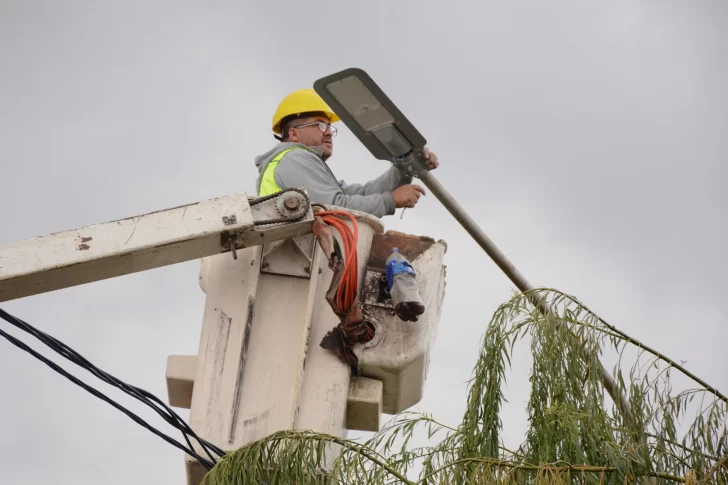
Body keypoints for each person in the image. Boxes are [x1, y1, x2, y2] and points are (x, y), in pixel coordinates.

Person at [255, 88, 439, 218]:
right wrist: (390, 201)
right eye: (319, 124)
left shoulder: (307, 166)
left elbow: (364, 194)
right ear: (293, 134)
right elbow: (332, 206)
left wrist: (404, 167)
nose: (328, 132)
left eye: (329, 126)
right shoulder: (293, 159)